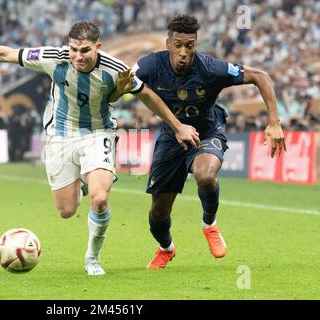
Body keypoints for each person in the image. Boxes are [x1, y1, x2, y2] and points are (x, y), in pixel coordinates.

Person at [0, 21, 200, 276]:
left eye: (84, 50)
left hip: (98, 133)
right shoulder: (54, 57)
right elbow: (6, 53)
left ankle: (92, 258)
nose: (77, 56)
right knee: (67, 211)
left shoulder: (116, 68)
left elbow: (147, 95)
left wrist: (178, 127)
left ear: (97, 46)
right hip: (60, 136)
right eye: (74, 49)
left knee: (99, 198)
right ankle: (82, 185)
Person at [114, 14, 286, 269]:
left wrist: (274, 122)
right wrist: (120, 88)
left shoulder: (211, 68)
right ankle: (166, 248)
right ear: (168, 43)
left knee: (205, 176)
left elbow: (261, 76)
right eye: (178, 45)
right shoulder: (150, 65)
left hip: (207, 131)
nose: (184, 52)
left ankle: (209, 224)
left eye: (190, 46)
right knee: (158, 215)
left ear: (196, 45)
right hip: (171, 139)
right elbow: (121, 87)